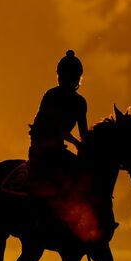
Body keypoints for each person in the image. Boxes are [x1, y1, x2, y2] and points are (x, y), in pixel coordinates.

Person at [27, 50, 89, 196]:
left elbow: (84, 135)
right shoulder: (52, 96)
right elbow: (53, 126)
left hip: (59, 151)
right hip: (41, 150)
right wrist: (76, 142)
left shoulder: (80, 102)